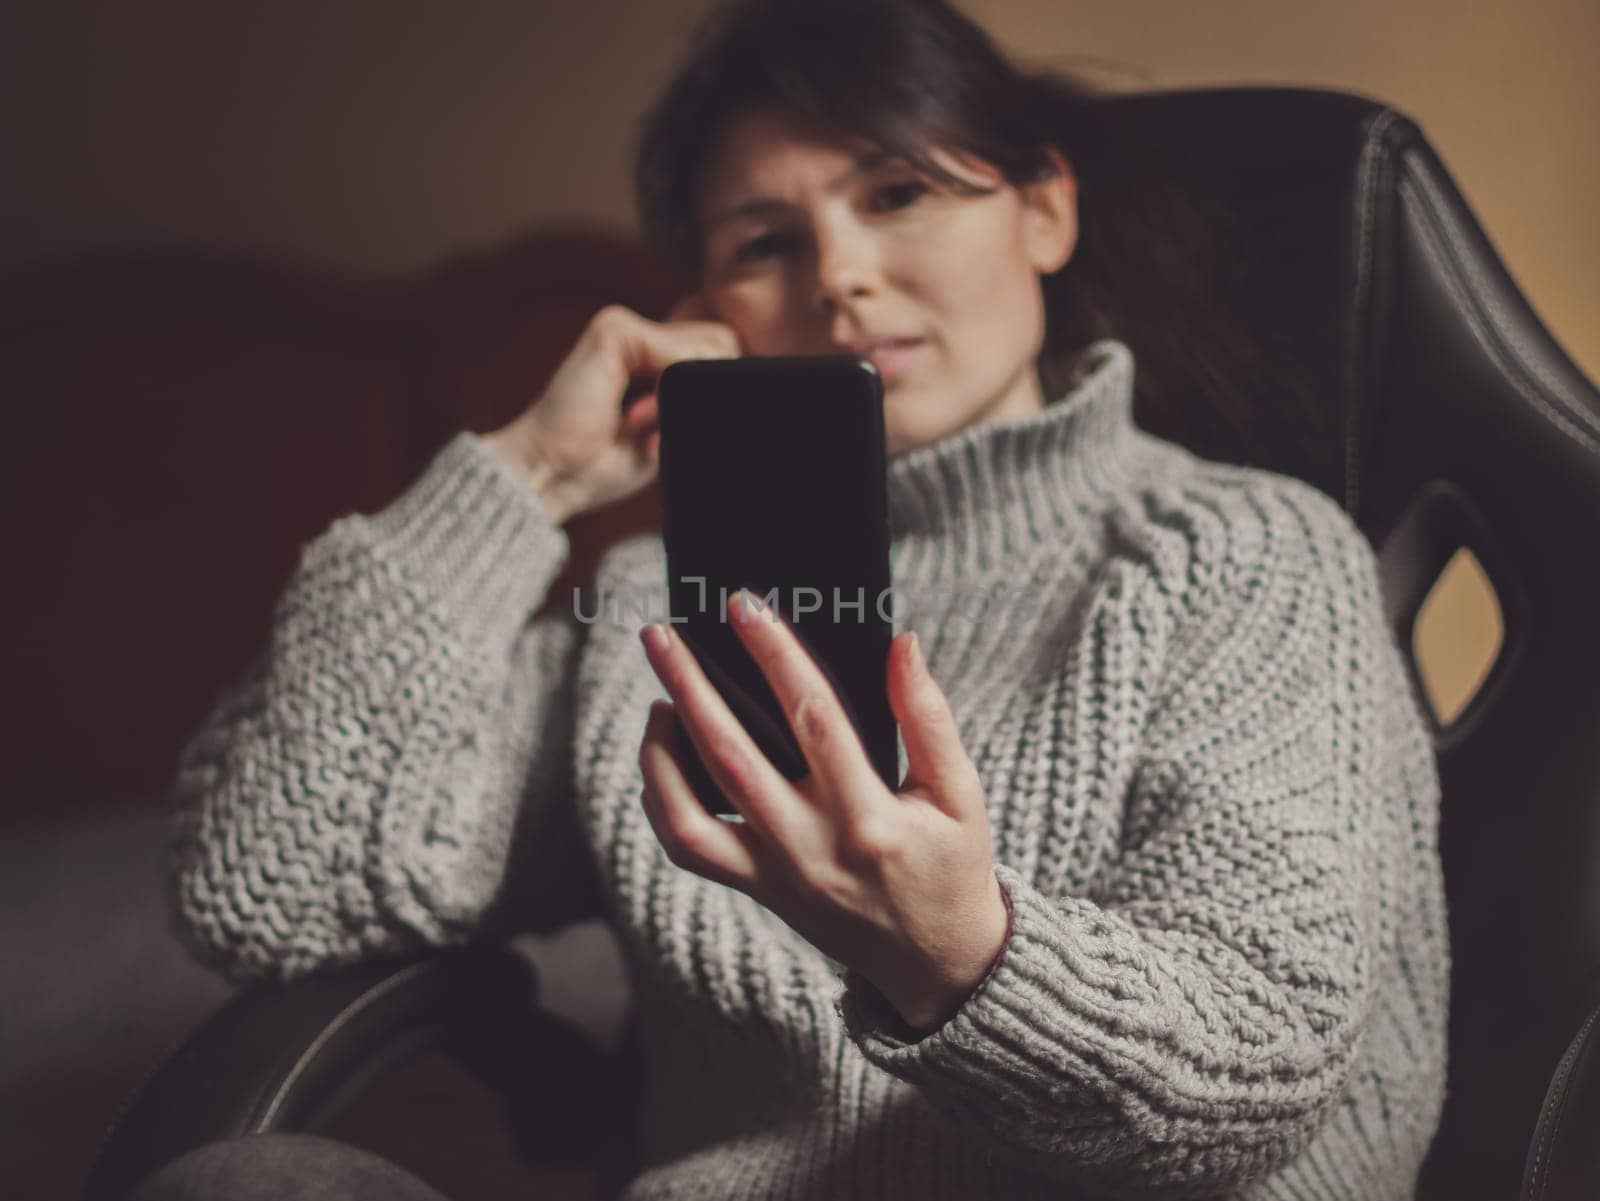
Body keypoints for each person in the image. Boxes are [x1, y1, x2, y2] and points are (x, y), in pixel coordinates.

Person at [140, 0, 1451, 1198]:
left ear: (1045, 209)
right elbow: (269, 880)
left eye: (897, 193)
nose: (839, 276)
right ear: (713, 302)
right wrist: (527, 474)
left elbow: (1265, 1056)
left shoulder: (1247, 552)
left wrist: (959, 955)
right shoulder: (662, 607)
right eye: (766, 240)